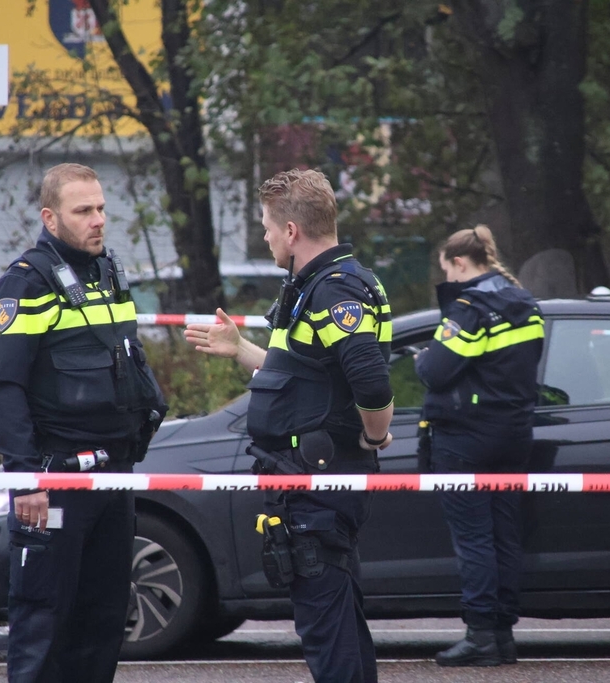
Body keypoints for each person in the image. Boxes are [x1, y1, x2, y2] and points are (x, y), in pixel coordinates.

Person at [184, 168, 393, 683]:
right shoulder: (318, 285)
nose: (267, 237)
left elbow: (369, 380)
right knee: (338, 619)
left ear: (293, 231)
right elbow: (304, 376)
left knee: (326, 629)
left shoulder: (333, 289)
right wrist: (240, 350)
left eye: (268, 229)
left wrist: (374, 434)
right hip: (310, 479)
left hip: (318, 481)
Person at [0, 163, 167, 683]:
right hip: (55, 479)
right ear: (51, 217)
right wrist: (27, 479)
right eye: (83, 211)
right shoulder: (24, 285)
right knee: (45, 620)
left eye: (101, 208)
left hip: (113, 476)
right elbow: (5, 389)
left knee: (105, 620)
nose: (98, 221)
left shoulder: (107, 274)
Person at [414, 225, 544, 667]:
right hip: (513, 434)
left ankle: (480, 635)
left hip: (466, 436)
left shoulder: (471, 309)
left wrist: (422, 358)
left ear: (461, 264)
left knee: (474, 540)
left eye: (446, 271)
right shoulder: (526, 304)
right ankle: (503, 634)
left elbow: (434, 371)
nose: (447, 280)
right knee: (505, 535)